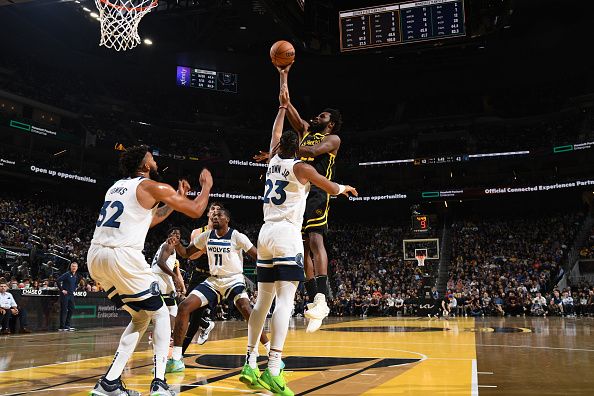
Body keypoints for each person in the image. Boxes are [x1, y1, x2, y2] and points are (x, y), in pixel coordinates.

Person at [240, 83, 357, 396]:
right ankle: (274, 368)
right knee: (285, 302)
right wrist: (344, 187)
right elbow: (329, 186)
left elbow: (276, 133)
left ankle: (249, 361)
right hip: (286, 234)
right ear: (298, 145)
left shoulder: (272, 162)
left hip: (264, 233)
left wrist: (280, 108)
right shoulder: (302, 168)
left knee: (262, 302)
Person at [87, 145, 212, 396]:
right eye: (152, 158)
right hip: (122, 257)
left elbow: (150, 219)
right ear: (144, 165)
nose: (155, 161)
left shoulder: (116, 187)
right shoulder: (151, 186)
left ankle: (109, 383)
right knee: (162, 314)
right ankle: (159, 384)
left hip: (95, 257)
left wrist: (175, 198)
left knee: (141, 316)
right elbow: (197, 210)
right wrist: (207, 186)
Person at [255, 65, 343, 333]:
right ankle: (312, 297)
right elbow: (286, 103)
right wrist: (283, 74)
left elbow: (315, 151)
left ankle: (322, 297)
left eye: (323, 115)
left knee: (316, 239)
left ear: (331, 123)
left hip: (317, 189)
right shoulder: (305, 128)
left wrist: (282, 149)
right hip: (298, 188)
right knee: (301, 245)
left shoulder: (333, 138)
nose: (317, 116)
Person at [167, 207, 270, 372]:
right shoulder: (207, 235)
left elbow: (257, 255)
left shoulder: (237, 236)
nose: (215, 217)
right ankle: (176, 359)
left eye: (219, 215)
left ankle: (270, 349)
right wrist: (177, 243)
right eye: (213, 215)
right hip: (214, 281)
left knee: (246, 309)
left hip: (233, 279)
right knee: (184, 307)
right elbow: (186, 253)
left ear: (227, 219)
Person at [180, 201, 223, 355]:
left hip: (213, 278)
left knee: (194, 316)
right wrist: (205, 245)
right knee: (186, 310)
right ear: (208, 213)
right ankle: (205, 325)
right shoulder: (197, 232)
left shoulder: (224, 233)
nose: (215, 211)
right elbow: (192, 256)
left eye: (219, 210)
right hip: (198, 274)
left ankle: (180, 353)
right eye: (213, 209)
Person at [151, 228, 186, 331]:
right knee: (172, 308)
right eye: (174, 233)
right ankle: (168, 334)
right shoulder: (169, 245)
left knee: (164, 308)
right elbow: (160, 263)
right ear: (169, 235)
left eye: (179, 233)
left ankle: (158, 332)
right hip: (161, 277)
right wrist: (174, 277)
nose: (177, 234)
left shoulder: (166, 245)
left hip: (158, 276)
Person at [57, 262, 81, 331]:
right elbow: (58, 280)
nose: (74, 268)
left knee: (71, 309)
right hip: (65, 295)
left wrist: (74, 288)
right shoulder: (67, 274)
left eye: (75, 266)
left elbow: (76, 283)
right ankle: (62, 326)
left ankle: (67, 325)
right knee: (64, 310)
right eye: (73, 266)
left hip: (71, 295)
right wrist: (62, 290)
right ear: (70, 267)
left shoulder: (76, 275)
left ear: (77, 268)